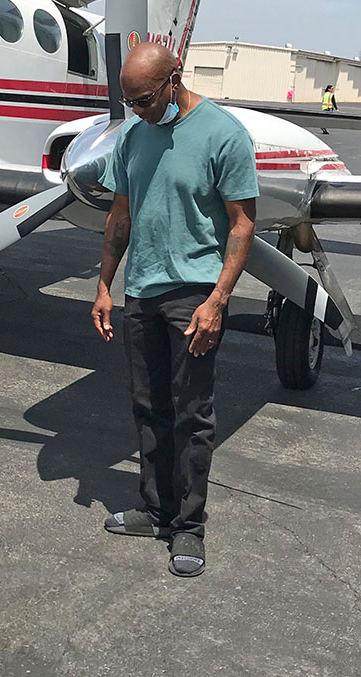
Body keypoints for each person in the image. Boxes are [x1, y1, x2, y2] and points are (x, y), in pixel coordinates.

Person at [92, 43, 258, 577]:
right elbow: (119, 216)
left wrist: (218, 300)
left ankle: (188, 527)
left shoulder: (223, 134)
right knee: (148, 406)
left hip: (195, 296)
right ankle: (156, 509)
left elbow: (241, 224)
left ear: (173, 79)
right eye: (129, 101)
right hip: (142, 291)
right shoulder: (134, 135)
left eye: (144, 99)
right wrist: (103, 286)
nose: (137, 110)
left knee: (192, 414)